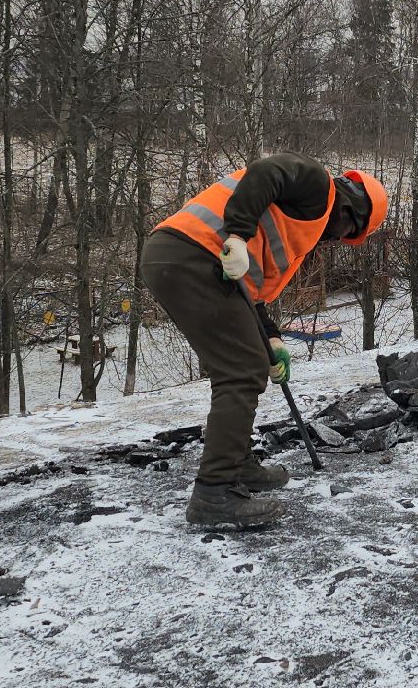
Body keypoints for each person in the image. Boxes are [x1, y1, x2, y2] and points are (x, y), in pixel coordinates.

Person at [142, 154, 388, 528]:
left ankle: (236, 464)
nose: (335, 240)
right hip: (193, 255)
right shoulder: (317, 185)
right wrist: (237, 236)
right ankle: (214, 493)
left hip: (180, 258)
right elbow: (267, 171)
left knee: (245, 364)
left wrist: (270, 338)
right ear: (351, 209)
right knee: (241, 374)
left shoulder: (301, 220)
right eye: (345, 233)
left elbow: (247, 292)